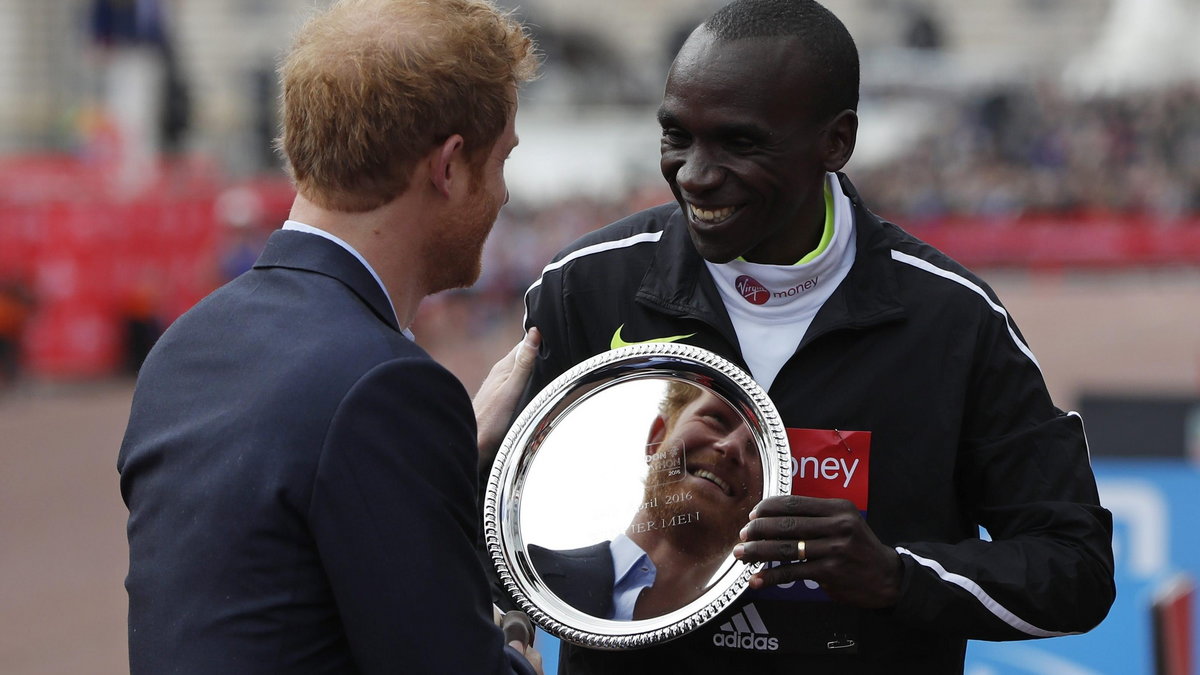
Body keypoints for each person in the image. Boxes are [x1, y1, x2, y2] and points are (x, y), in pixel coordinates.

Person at [513, 0, 1115, 672]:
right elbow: (499, 524)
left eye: (740, 142)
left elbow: (1076, 566)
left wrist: (894, 573)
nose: (695, 174)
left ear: (837, 141)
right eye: (676, 135)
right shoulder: (587, 285)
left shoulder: (953, 319)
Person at [118, 1, 543, 673]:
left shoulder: (186, 345)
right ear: (451, 165)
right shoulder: (386, 385)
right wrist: (519, 643)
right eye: (503, 158)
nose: (504, 194)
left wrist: (446, 451)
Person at [529, 383, 762, 620]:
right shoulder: (524, 578)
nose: (731, 447)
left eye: (758, 448)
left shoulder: (764, 645)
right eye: (716, 419)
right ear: (658, 436)